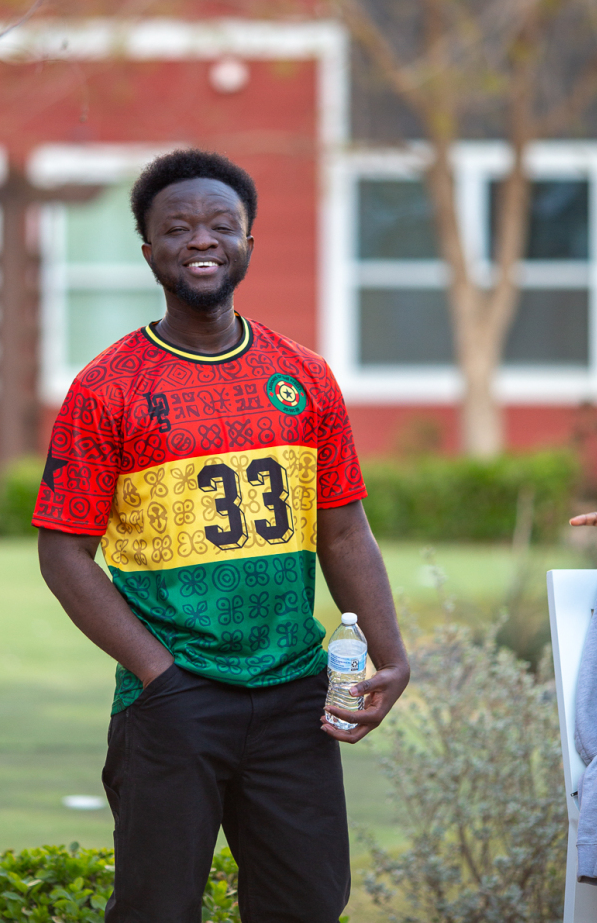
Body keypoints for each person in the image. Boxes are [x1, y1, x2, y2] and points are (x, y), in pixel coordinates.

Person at [33, 149, 409, 923]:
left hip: (295, 691)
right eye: (177, 228)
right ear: (149, 251)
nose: (200, 239)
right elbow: (63, 554)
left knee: (307, 904)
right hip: (174, 695)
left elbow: (343, 531)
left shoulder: (305, 376)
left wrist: (390, 654)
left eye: (220, 225)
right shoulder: (105, 389)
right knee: (158, 908)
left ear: (247, 242)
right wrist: (159, 674)